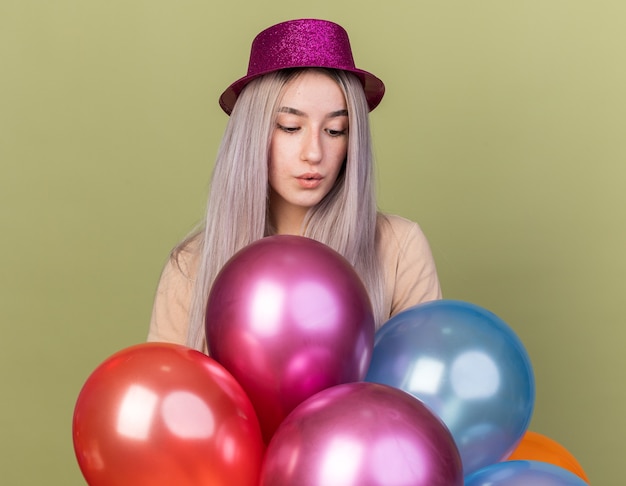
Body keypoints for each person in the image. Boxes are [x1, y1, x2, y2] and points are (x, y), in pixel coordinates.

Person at [148, 18, 441, 353]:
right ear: (252, 134)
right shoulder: (190, 267)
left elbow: (423, 392)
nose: (314, 153)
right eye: (290, 127)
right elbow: (167, 398)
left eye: (335, 130)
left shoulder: (399, 248)